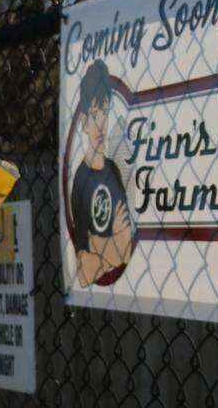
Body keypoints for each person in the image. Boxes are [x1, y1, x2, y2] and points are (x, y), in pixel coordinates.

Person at [70, 60, 134, 286]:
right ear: (84, 122)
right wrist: (113, 246)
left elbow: (126, 250)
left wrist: (97, 245)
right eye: (95, 114)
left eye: (105, 112)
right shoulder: (80, 180)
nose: (101, 124)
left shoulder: (113, 172)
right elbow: (84, 272)